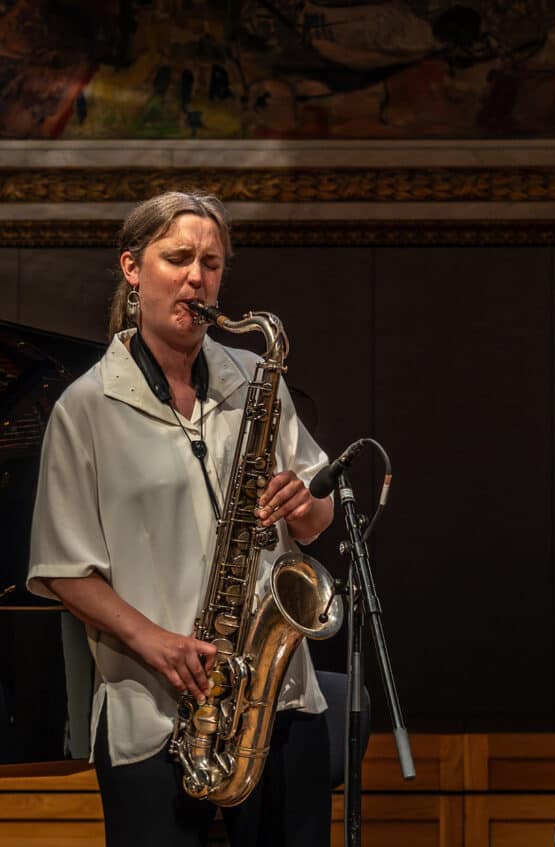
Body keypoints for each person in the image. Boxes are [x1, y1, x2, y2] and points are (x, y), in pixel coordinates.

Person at [27, 191, 336, 847]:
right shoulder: (84, 409)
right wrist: (154, 642)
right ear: (132, 267)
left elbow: (317, 516)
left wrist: (303, 502)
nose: (199, 277)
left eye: (212, 262)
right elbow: (62, 569)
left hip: (272, 699)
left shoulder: (256, 378)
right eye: (179, 258)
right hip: (155, 709)